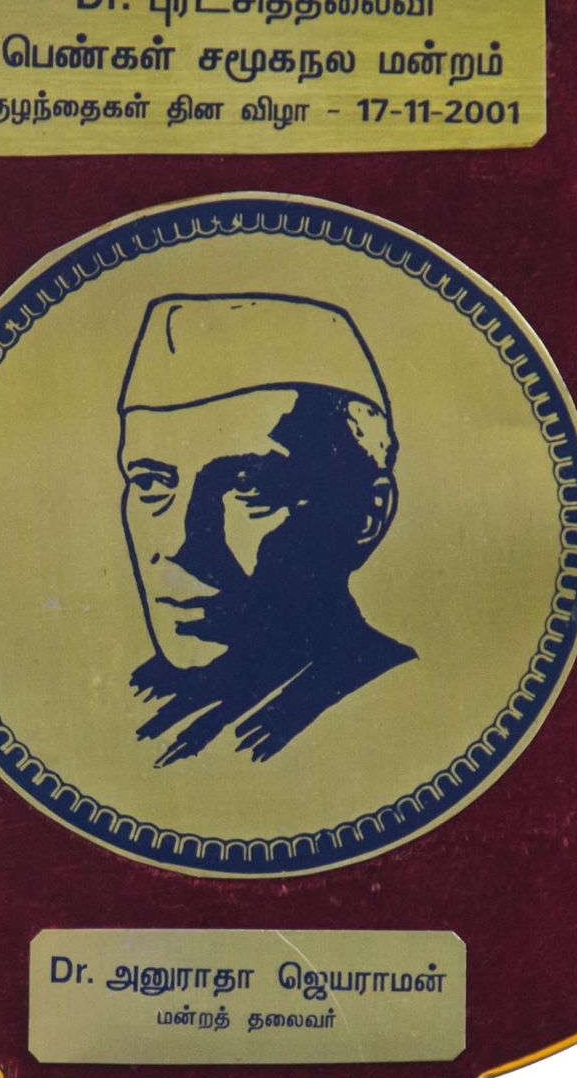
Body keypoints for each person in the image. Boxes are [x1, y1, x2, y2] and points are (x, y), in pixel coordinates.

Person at [116, 293, 415, 764]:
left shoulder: (394, 706)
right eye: (151, 483)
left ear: (367, 515)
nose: (180, 545)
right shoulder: (133, 703)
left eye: (248, 485)